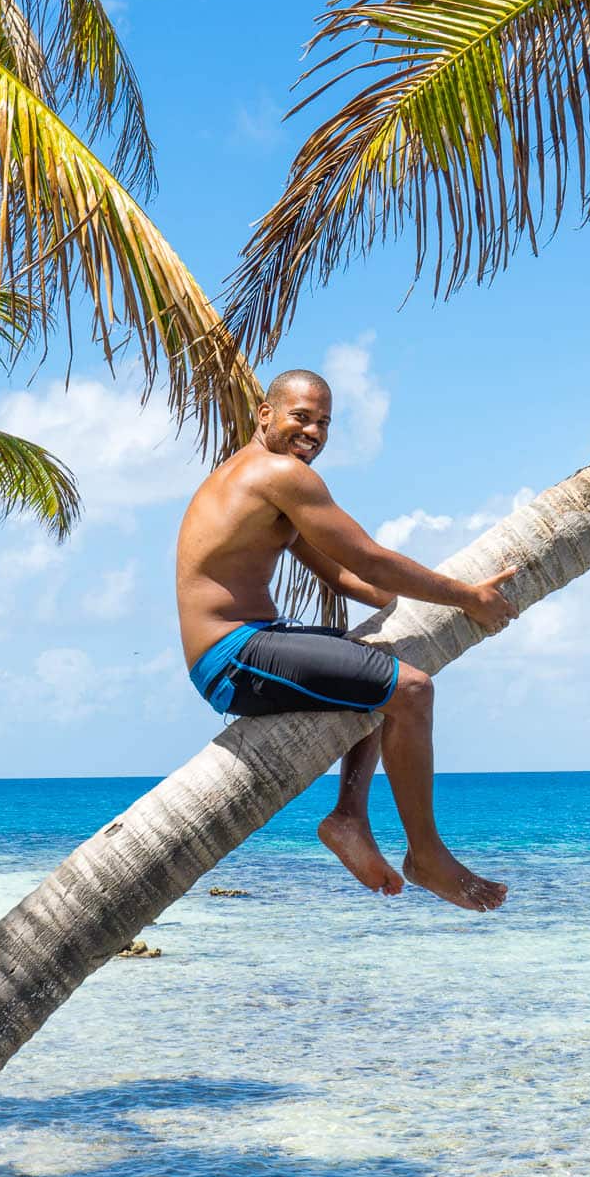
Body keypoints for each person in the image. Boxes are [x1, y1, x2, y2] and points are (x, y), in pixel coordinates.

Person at [175, 369, 519, 910]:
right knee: (411, 690)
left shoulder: (248, 477)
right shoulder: (281, 475)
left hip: (245, 647)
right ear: (265, 414)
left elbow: (340, 576)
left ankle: (349, 817)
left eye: (323, 422)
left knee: (371, 669)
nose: (313, 431)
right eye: (301, 417)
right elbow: (368, 557)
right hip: (235, 656)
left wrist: (399, 607)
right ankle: (426, 854)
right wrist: (465, 597)